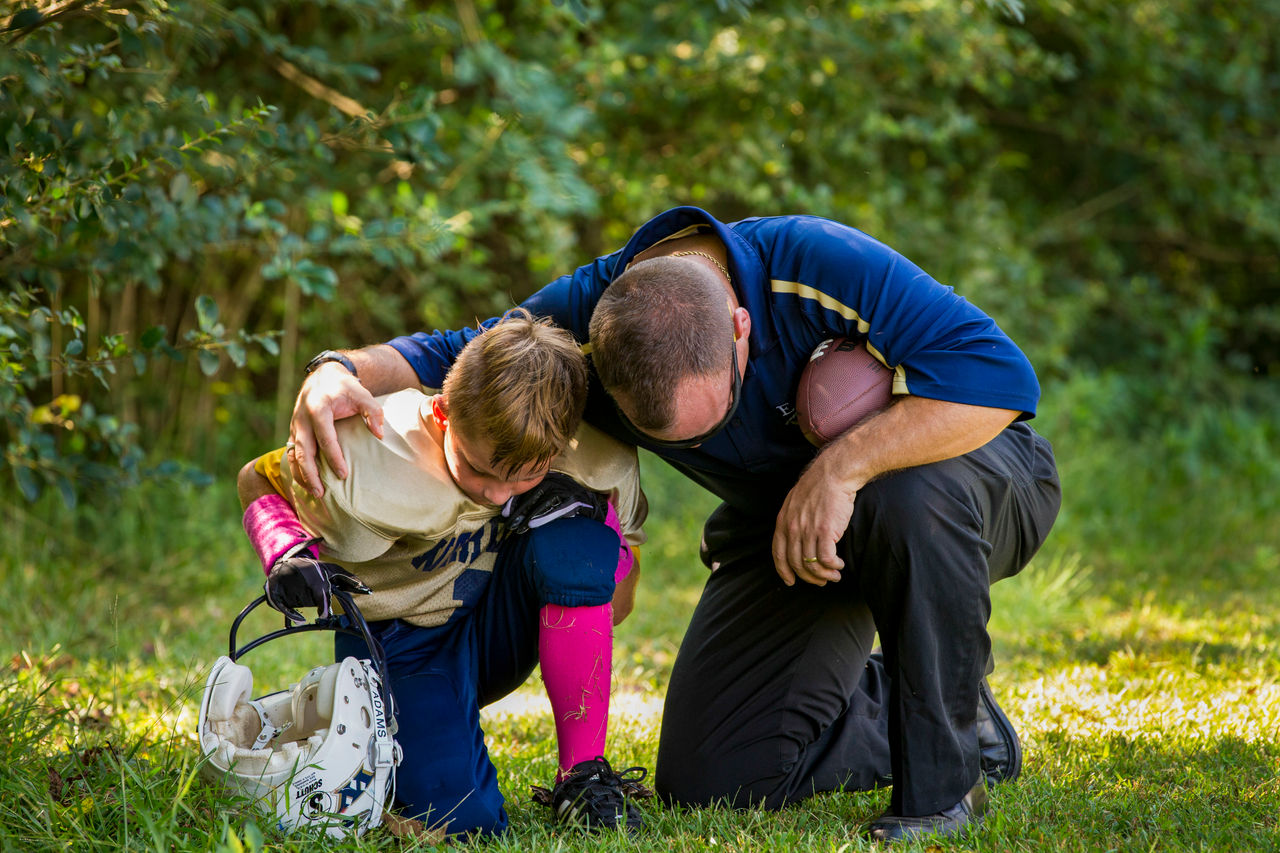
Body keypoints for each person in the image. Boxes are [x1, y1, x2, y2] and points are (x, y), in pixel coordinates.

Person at [286, 208, 1062, 842]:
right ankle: (934, 696)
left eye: (711, 421)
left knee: (902, 497)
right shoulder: (591, 314)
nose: (696, 449)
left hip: (975, 482)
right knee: (713, 775)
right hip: (790, 532)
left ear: (741, 329)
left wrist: (842, 467)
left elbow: (999, 379)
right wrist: (335, 370)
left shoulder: (818, 264)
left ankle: (942, 781)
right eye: (676, 441)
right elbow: (456, 352)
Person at [237, 310, 651, 837]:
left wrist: (599, 527)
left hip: (497, 622)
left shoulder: (591, 459)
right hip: (402, 643)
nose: (497, 494)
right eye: (477, 469)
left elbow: (616, 605)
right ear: (442, 411)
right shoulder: (371, 452)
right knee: (465, 825)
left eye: (525, 476)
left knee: (577, 534)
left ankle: (583, 775)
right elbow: (256, 478)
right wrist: (284, 550)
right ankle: (364, 726)